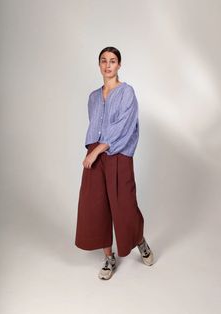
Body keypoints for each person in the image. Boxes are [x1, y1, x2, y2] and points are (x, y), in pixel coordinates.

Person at [75, 46, 155, 280]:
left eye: (112, 61)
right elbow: (96, 127)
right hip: (95, 154)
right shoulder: (92, 97)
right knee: (95, 206)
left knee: (124, 204)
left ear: (119, 65)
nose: (107, 65)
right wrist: (93, 151)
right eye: (103, 61)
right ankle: (109, 258)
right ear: (99, 65)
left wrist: (98, 150)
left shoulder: (127, 92)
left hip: (117, 154)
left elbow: (123, 127)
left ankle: (139, 240)